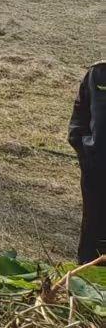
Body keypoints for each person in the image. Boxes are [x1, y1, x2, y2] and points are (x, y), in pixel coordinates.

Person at [69, 60, 106, 263]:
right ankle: (86, 272)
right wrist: (85, 152)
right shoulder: (98, 73)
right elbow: (80, 114)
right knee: (94, 229)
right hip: (96, 170)